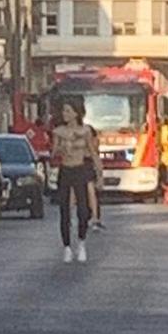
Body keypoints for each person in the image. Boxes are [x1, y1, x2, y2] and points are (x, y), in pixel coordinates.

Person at [52, 102, 98, 263]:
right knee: (64, 209)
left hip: (80, 170)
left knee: (83, 209)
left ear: (76, 113)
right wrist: (60, 149)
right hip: (65, 170)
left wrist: (98, 171)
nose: (64, 113)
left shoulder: (85, 131)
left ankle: (81, 242)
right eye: (63, 110)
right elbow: (53, 152)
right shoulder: (58, 132)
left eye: (67, 110)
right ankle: (66, 247)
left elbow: (92, 151)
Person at [85, 123, 105, 231]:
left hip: (90, 169)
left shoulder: (94, 143)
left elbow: (96, 159)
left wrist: (100, 176)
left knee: (93, 194)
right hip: (81, 169)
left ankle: (95, 218)